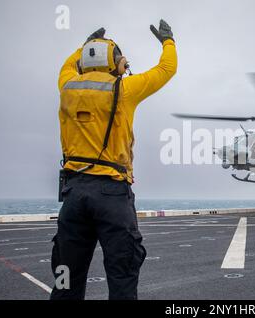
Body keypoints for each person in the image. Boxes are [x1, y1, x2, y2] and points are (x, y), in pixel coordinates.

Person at [51, 19, 177, 300]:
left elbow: (69, 66)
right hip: (111, 194)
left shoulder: (66, 85)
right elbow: (166, 69)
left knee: (65, 278)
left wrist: (84, 46)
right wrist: (168, 42)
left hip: (73, 193)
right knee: (122, 275)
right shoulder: (125, 90)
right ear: (118, 63)